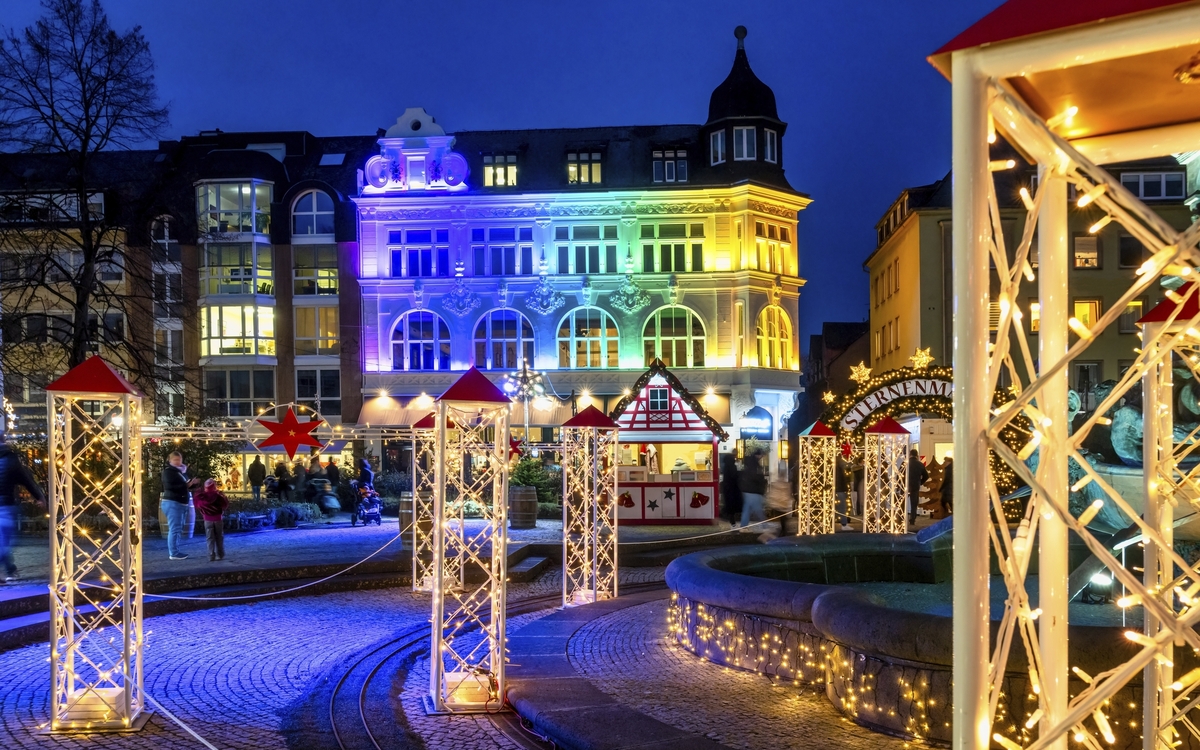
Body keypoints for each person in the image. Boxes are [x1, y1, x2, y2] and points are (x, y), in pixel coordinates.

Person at [0, 434, 45, 583]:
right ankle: (11, 571)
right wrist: (39, 497)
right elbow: (26, 479)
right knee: (4, 543)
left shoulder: (10, 459)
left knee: (3, 543)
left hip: (5, 507)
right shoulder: (10, 459)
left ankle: (11, 570)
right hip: (6, 507)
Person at [161, 452, 198, 560]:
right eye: (175, 460)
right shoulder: (168, 472)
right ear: (170, 460)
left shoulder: (181, 472)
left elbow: (186, 486)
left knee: (177, 528)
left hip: (180, 502)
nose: (178, 462)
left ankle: (175, 551)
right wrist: (187, 485)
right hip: (173, 502)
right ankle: (173, 553)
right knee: (175, 528)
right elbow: (170, 486)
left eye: (179, 459)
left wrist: (193, 484)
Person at [193, 479, 229, 562]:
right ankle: (220, 554)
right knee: (219, 537)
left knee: (209, 538)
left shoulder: (201, 497)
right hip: (218, 519)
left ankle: (211, 555)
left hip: (207, 520)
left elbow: (198, 505)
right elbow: (225, 505)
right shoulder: (219, 496)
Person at [738, 450, 768, 530]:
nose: (762, 457)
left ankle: (744, 525)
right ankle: (764, 525)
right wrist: (762, 482)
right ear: (758, 455)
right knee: (758, 509)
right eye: (761, 455)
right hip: (754, 490)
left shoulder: (749, 464)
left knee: (747, 508)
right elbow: (756, 477)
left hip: (747, 490)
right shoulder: (755, 465)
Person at [907, 449, 929, 530]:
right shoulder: (920, 464)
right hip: (915, 486)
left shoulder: (906, 463)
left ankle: (901, 518)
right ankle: (912, 519)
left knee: (902, 503)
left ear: (910, 454)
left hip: (906, 485)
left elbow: (900, 474)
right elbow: (926, 476)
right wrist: (920, 482)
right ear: (917, 455)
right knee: (914, 504)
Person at [719, 453, 743, 528]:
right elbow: (735, 476)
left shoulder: (725, 467)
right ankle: (733, 521)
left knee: (729, 505)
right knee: (735, 505)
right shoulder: (732, 466)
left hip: (727, 489)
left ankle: (732, 521)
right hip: (733, 489)